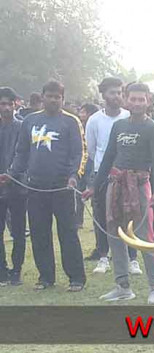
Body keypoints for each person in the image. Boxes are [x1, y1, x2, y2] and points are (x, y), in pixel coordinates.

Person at [84, 83, 154, 304]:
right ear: (127, 100)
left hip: (139, 186)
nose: (138, 103)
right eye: (134, 99)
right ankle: (122, 286)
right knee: (115, 234)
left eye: (142, 99)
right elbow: (109, 157)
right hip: (115, 184)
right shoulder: (118, 126)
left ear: (148, 101)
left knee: (144, 237)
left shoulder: (153, 128)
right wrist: (94, 186)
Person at [4, 80, 86, 292]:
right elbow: (21, 153)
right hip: (35, 188)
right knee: (40, 233)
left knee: (67, 233)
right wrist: (12, 174)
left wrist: (74, 176)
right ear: (42, 97)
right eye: (49, 96)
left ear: (62, 99)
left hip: (62, 188)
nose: (53, 99)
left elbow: (79, 153)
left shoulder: (71, 122)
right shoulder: (29, 121)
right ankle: (46, 277)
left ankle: (76, 278)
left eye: (57, 96)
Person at [85, 77, 131, 273]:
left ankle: (130, 257)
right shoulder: (94, 120)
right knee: (102, 215)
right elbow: (93, 150)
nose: (117, 96)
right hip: (102, 174)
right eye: (113, 92)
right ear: (103, 95)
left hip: (126, 173)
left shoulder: (129, 116)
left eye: (120, 92)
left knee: (127, 215)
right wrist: (103, 170)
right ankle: (103, 256)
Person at [0, 87, 27, 286]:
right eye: (3, 104)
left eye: (9, 104)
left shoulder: (22, 127)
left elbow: (24, 155)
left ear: (15, 104)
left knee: (18, 232)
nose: (6, 108)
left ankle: (16, 271)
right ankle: (2, 271)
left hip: (17, 186)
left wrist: (12, 174)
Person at [76, 103, 99, 229]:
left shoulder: (95, 126)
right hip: (81, 164)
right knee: (78, 193)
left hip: (92, 163)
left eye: (83, 112)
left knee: (94, 194)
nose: (81, 114)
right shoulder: (78, 127)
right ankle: (78, 221)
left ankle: (97, 222)